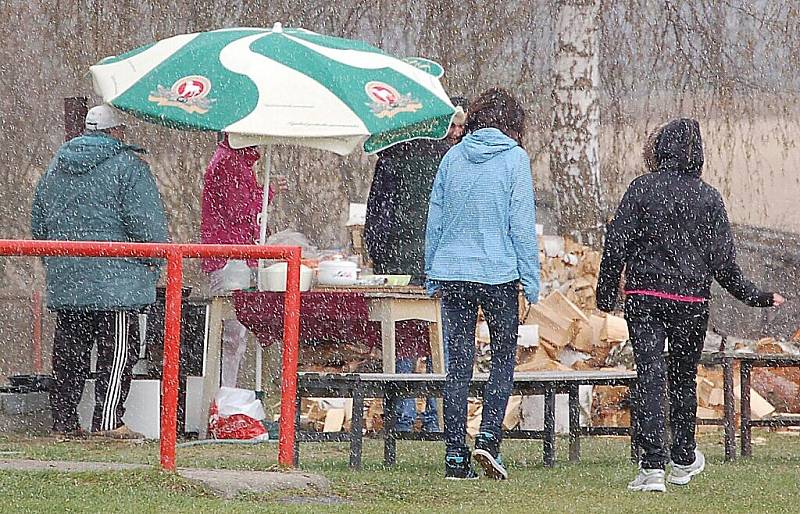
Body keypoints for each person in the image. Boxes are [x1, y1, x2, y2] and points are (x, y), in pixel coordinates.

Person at [596, 118, 786, 492]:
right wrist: (757, 297)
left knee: (649, 375)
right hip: (690, 300)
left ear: (660, 150)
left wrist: (605, 295)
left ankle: (651, 468)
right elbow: (724, 265)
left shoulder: (641, 189)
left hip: (644, 296)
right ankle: (683, 457)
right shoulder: (709, 198)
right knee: (683, 377)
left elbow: (615, 243)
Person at [31, 104, 169, 439]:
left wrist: (61, 263)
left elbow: (39, 225)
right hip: (118, 283)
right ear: (117, 132)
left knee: (69, 355)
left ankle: (63, 423)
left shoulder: (56, 167)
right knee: (118, 354)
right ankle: (107, 424)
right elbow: (147, 227)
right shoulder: (129, 167)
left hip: (69, 282)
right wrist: (155, 261)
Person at [425, 88, 539, 480]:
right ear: (512, 125)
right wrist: (531, 278)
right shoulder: (514, 159)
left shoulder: (452, 158)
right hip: (499, 274)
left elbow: (435, 220)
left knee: (458, 366)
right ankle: (489, 440)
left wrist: (431, 271)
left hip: (453, 271)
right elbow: (521, 225)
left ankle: (455, 455)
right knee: (503, 360)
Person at [364, 97, 468, 432]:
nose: (456, 132)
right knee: (444, 338)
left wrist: (380, 257)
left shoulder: (395, 154)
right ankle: (442, 418)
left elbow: (377, 218)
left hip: (399, 265)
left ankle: (404, 416)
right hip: (443, 263)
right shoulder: (457, 160)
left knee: (403, 337)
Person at [200, 134, 284, 387]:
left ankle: (228, 392)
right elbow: (239, 211)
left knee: (234, 334)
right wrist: (268, 192)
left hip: (233, 255)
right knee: (233, 334)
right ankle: (226, 393)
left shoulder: (234, 162)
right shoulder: (229, 163)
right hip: (231, 258)